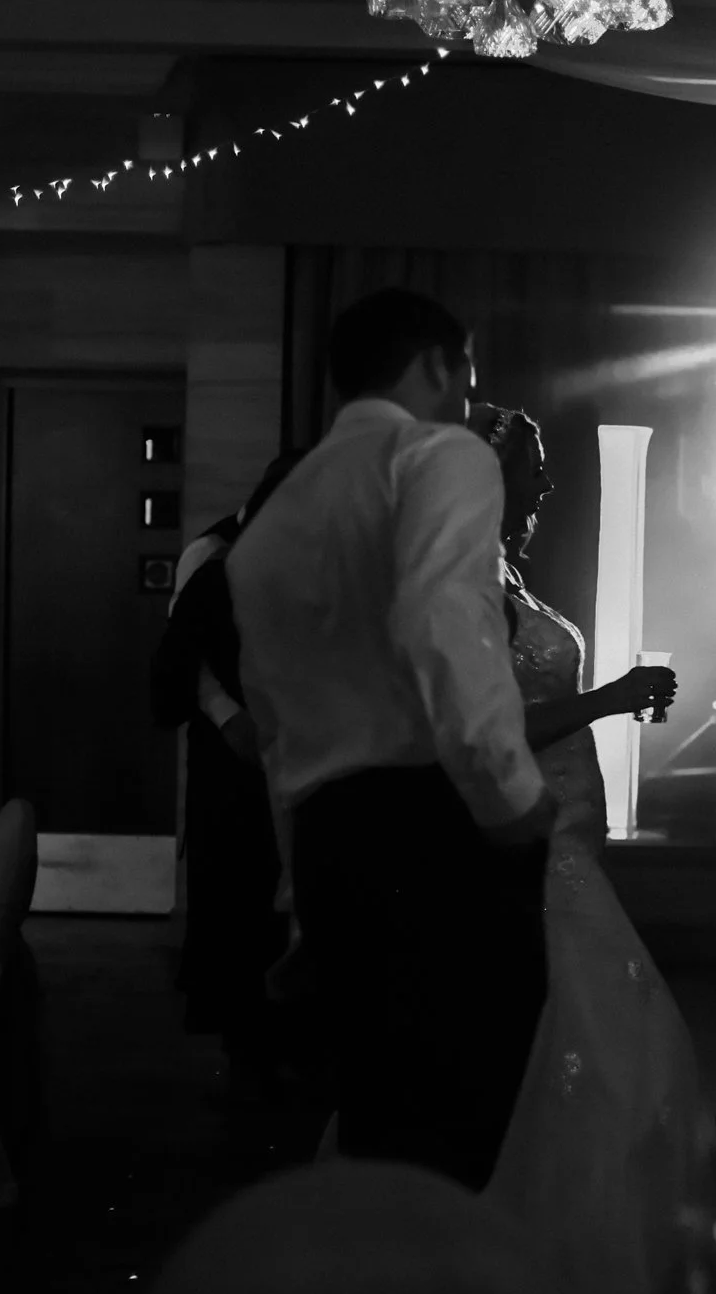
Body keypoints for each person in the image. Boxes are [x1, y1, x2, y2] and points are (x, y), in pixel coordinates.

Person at [229, 287, 554, 1192]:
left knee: (378, 1121)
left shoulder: (276, 518)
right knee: (463, 1127)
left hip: (334, 843)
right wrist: (510, 794)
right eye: (466, 378)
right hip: (435, 823)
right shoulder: (436, 454)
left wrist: (302, 894)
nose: (466, 402)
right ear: (436, 365)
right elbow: (443, 616)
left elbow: (278, 731)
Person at [464, 407, 716, 1294]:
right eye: (532, 470)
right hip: (537, 857)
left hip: (570, 844)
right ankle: (552, 1273)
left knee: (602, 1057)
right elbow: (491, 731)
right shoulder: (470, 587)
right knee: (614, 1057)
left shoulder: (507, 575)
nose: (547, 487)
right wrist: (611, 696)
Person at [150, 453, 302, 1096]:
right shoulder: (213, 565)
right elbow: (179, 669)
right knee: (244, 914)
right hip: (239, 773)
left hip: (292, 766)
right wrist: (230, 716)